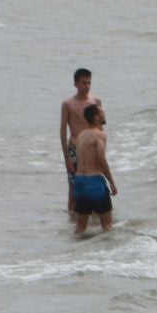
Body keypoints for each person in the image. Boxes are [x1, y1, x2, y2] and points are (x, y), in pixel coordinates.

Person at [59, 68, 101, 215]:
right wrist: (67, 157)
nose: (87, 86)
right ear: (76, 84)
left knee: (95, 188)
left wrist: (101, 153)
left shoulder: (95, 102)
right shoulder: (68, 104)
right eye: (83, 83)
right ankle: (72, 221)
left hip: (92, 150)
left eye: (89, 82)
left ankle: (93, 219)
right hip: (75, 150)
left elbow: (99, 128)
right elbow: (63, 130)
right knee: (74, 190)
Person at [70, 103, 117, 234]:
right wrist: (112, 183)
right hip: (94, 182)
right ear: (96, 117)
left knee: (80, 227)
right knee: (107, 226)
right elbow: (101, 160)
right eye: (102, 112)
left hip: (79, 182)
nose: (104, 114)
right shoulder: (100, 135)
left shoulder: (80, 135)